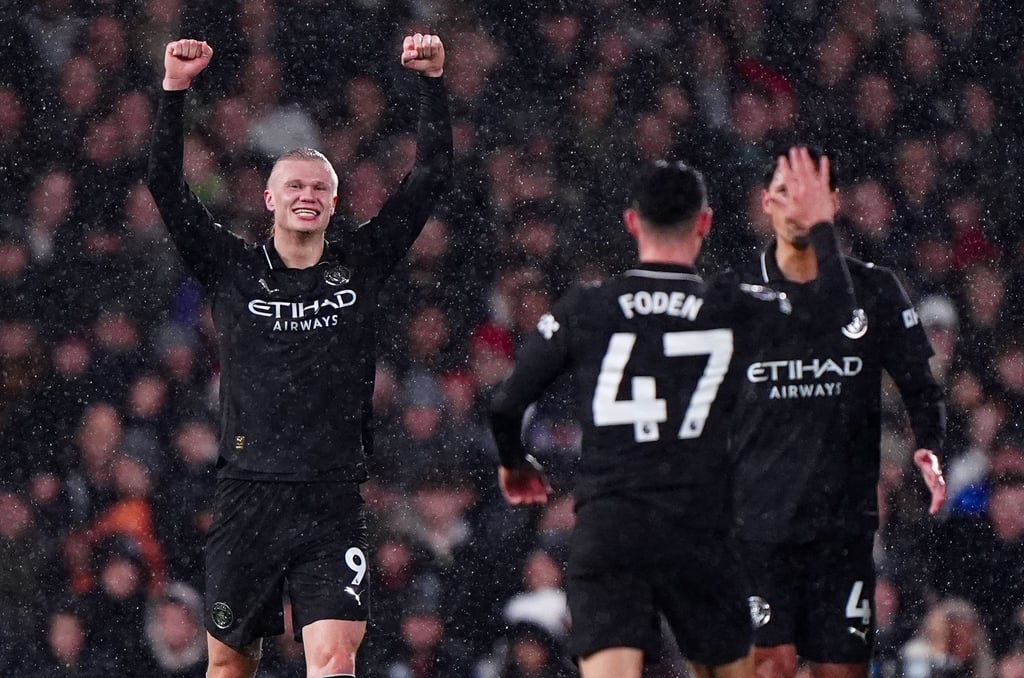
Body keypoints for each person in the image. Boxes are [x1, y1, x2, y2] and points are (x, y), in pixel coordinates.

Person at [145, 35, 452, 678]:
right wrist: (175, 90)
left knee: (334, 660)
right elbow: (165, 186)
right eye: (293, 184)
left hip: (331, 499)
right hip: (246, 495)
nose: (306, 193)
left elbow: (429, 179)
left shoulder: (360, 265)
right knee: (230, 666)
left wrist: (431, 83)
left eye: (319, 185)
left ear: (335, 202)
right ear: (269, 198)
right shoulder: (230, 267)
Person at [490, 149, 855, 678]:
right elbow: (836, 320)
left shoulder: (588, 306)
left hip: (611, 524)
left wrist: (514, 461)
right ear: (704, 224)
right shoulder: (730, 305)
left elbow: (505, 405)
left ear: (632, 222)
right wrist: (817, 226)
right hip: (698, 526)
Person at [728, 148, 947, 678]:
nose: (798, 206)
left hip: (842, 527)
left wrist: (930, 446)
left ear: (834, 203)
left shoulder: (875, 289)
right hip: (758, 528)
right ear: (765, 205)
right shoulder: (735, 295)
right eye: (786, 192)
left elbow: (921, 386)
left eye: (811, 193)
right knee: (767, 667)